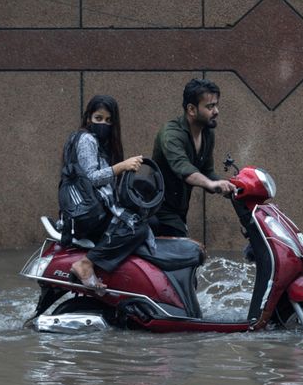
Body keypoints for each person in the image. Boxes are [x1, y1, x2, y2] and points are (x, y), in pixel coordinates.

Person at [66, 95, 148, 292]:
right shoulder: (86, 139)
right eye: (99, 118)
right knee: (138, 228)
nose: (104, 124)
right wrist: (121, 166)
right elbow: (92, 178)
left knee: (150, 223)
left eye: (109, 120)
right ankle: (86, 264)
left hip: (92, 210)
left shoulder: (98, 143)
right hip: (87, 215)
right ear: (88, 119)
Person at [151, 78, 237, 237]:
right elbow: (184, 168)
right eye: (210, 106)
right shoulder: (171, 134)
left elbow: (207, 171)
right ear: (191, 109)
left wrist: (230, 187)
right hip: (156, 210)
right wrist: (211, 184)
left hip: (179, 209)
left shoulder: (207, 133)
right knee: (187, 252)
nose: (216, 111)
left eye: (216, 105)